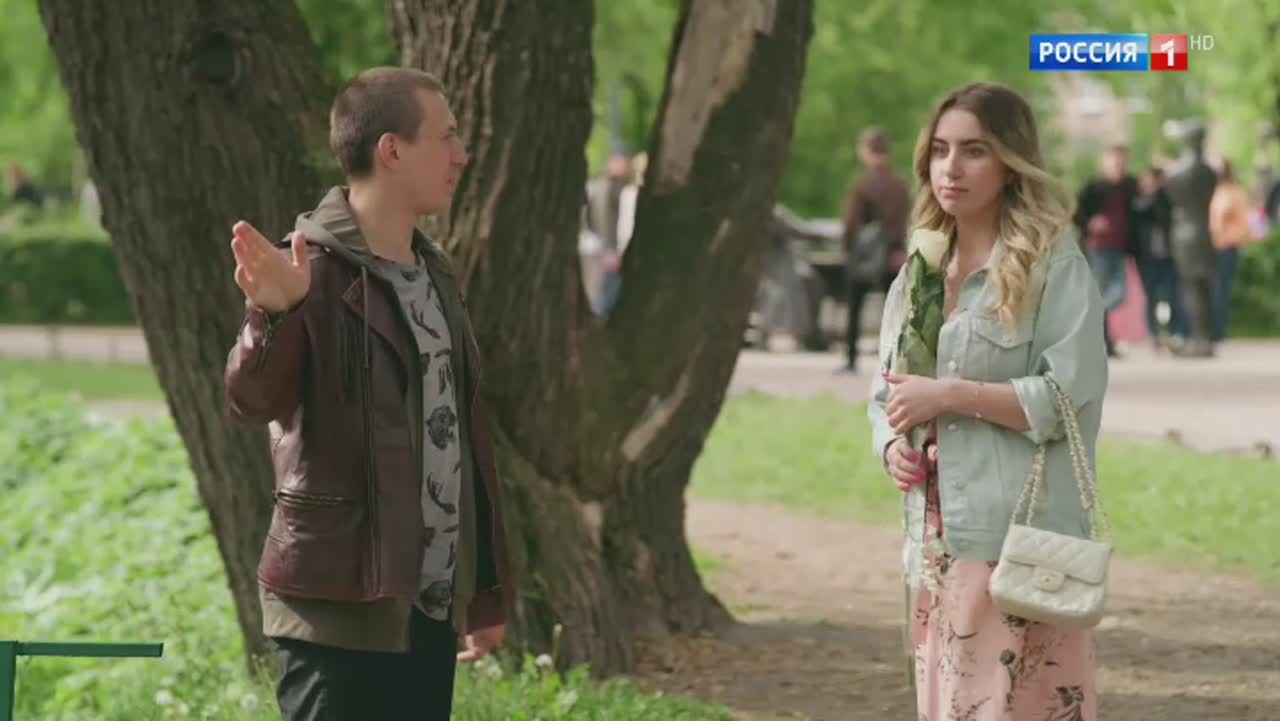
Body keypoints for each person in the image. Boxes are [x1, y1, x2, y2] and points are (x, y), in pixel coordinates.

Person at [224, 67, 512, 721]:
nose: (462, 154)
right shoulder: (307, 270)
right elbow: (250, 402)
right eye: (446, 137)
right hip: (337, 610)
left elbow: (461, 439)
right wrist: (272, 317)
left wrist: (481, 591)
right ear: (391, 150)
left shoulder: (433, 273)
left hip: (428, 607)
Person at [868, 81, 1107, 721]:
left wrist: (950, 395)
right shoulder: (920, 269)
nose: (951, 167)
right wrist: (891, 445)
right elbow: (885, 390)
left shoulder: (1052, 265)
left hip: (1017, 538)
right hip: (934, 537)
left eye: (974, 151)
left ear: (1010, 161)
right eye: (940, 150)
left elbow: (1065, 397)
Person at [839, 126, 911, 373]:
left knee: (855, 308)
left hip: (865, 257)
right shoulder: (899, 184)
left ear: (866, 150)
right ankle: (894, 361)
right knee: (894, 311)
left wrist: (847, 248)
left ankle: (851, 359)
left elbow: (852, 222)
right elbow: (905, 219)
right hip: (893, 254)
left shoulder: (863, 184)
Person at [1074, 145, 1138, 358]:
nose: (1118, 166)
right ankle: (1103, 343)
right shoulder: (1093, 187)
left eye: (1121, 162)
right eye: (1114, 162)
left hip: (1120, 248)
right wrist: (1090, 223)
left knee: (1119, 294)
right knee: (1101, 293)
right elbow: (1076, 214)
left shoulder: (1130, 186)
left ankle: (1092, 322)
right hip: (1098, 248)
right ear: (1105, 163)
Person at [1163, 121, 1219, 358]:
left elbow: (1171, 198)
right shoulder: (1210, 172)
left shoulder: (1176, 172)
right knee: (1203, 287)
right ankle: (1204, 338)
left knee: (1191, 287)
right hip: (1203, 230)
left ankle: (1198, 340)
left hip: (1185, 232)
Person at [1131, 166, 1186, 347]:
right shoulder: (1138, 202)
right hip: (1146, 257)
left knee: (1172, 295)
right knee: (1150, 296)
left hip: (1168, 256)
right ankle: (1154, 334)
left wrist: (1159, 195)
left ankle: (1175, 332)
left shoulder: (1167, 199)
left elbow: (1167, 217)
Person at [1208, 159, 1255, 341]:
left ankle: (1216, 331)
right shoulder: (1235, 192)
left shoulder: (1226, 193)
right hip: (1228, 245)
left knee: (1218, 289)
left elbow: (1220, 218)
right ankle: (1217, 330)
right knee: (1221, 288)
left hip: (1223, 245)